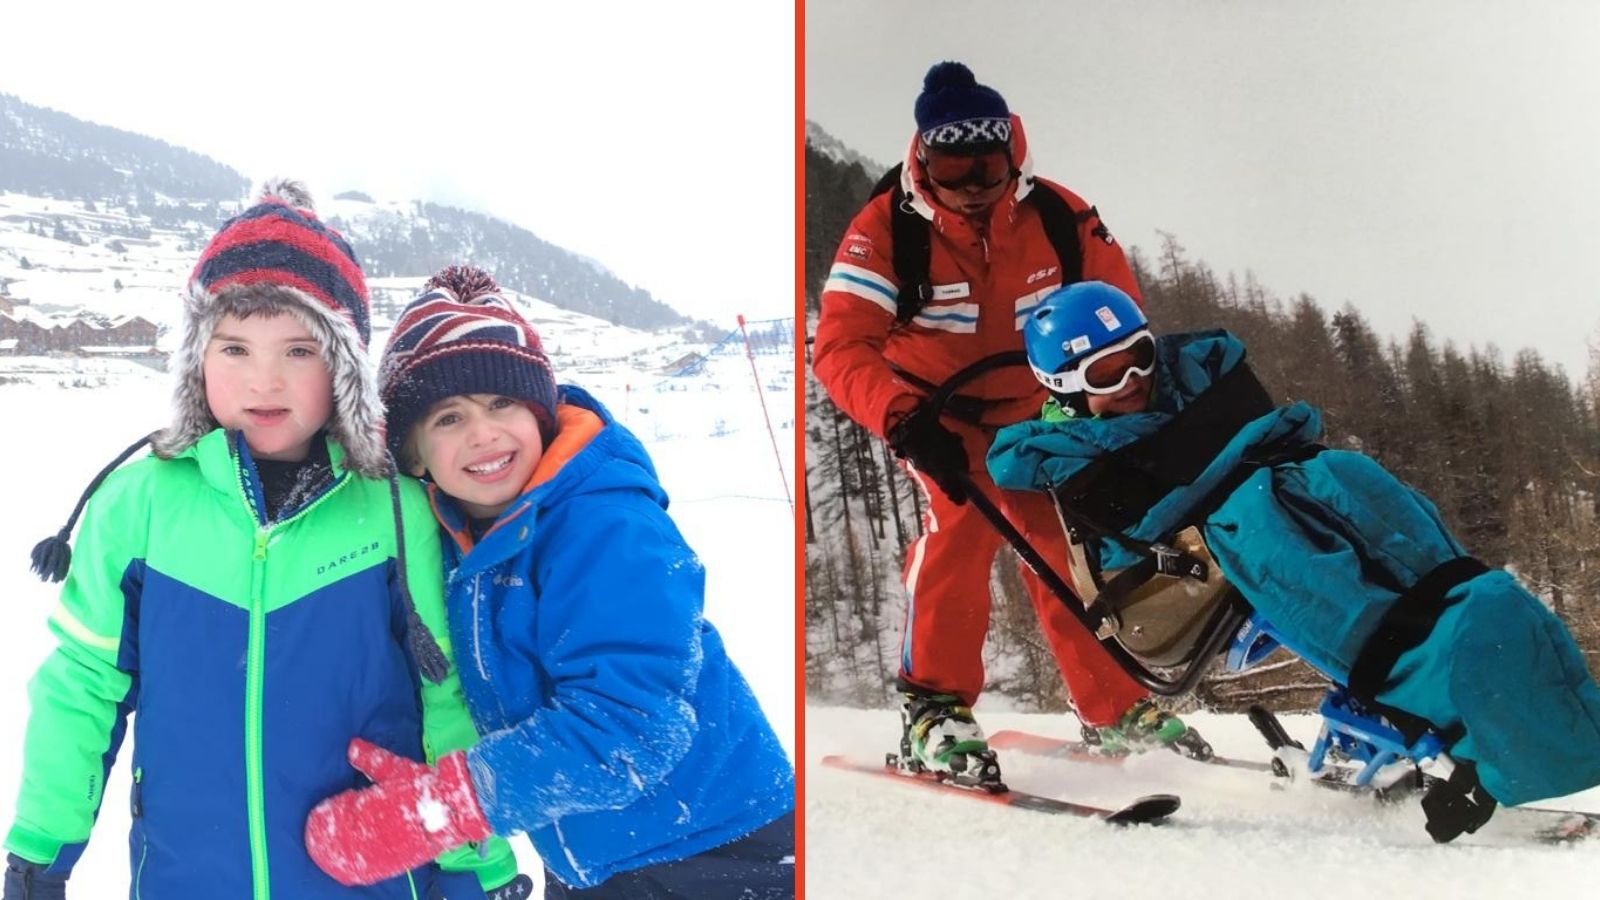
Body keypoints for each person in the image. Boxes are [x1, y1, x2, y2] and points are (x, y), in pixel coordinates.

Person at [2, 182, 523, 899]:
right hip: (188, 879)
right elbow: (82, 689)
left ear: (343, 368)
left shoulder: (399, 513)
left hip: (371, 878)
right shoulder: (140, 505)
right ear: (197, 361)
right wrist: (39, 850)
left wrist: (478, 865)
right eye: (235, 347)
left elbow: (449, 704)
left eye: (300, 350)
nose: (264, 380)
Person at [991, 279, 1600, 841]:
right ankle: (1420, 709)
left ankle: (1470, 644)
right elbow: (1128, 528)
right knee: (1277, 535)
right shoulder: (1062, 449)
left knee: (1350, 474)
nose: (1131, 380)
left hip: (1268, 490)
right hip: (1168, 578)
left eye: (1140, 358)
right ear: (1066, 387)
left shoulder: (1195, 378)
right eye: (1105, 373)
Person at [303, 266, 796, 898]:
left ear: (539, 413)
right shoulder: (462, 541)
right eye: (447, 418)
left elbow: (632, 727)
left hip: (718, 848)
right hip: (590, 854)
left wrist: (442, 807)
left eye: (500, 403)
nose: (483, 433)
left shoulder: (605, 527)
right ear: (415, 455)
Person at [810, 59, 1208, 776]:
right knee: (958, 537)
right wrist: (901, 419)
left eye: (985, 174)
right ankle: (933, 708)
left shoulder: (1059, 214)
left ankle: (1113, 707)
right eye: (950, 174)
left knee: (1067, 547)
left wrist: (1116, 398)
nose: (967, 191)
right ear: (923, 158)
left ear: (1012, 156)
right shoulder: (885, 230)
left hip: (1043, 410)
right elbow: (840, 346)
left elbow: (1119, 311)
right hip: (938, 416)